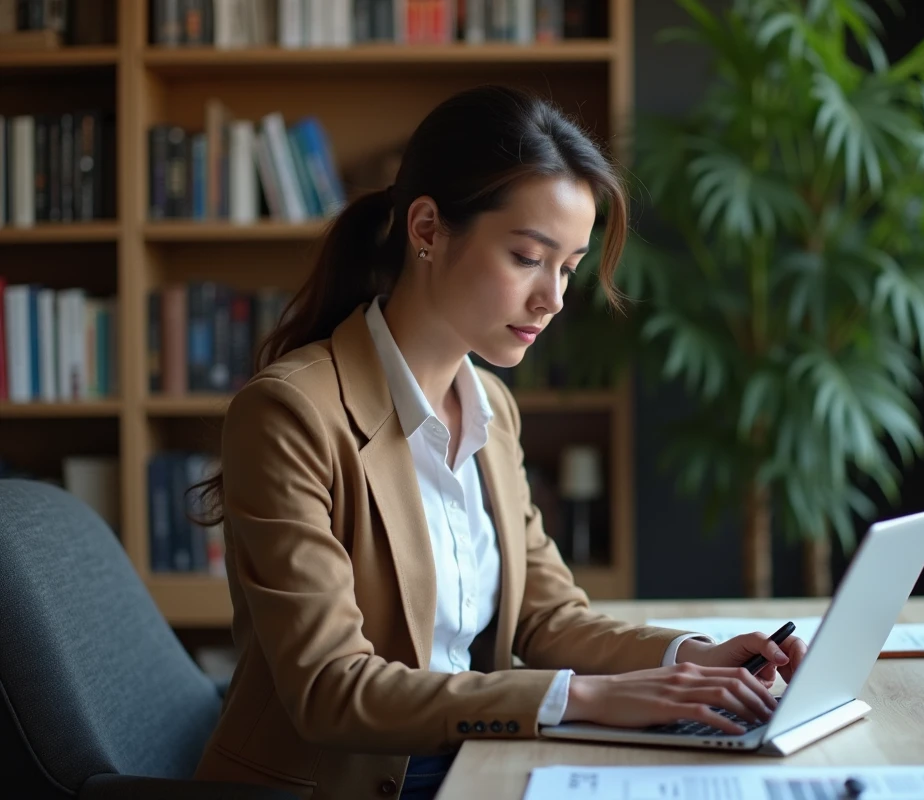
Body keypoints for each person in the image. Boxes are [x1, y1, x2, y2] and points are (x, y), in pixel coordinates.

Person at [190, 84, 808, 800]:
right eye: (527, 257)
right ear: (427, 228)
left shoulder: (492, 411)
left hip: (473, 762)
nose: (554, 298)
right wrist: (586, 698)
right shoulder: (290, 414)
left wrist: (691, 658)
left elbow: (549, 617)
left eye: (568, 267)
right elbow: (331, 687)